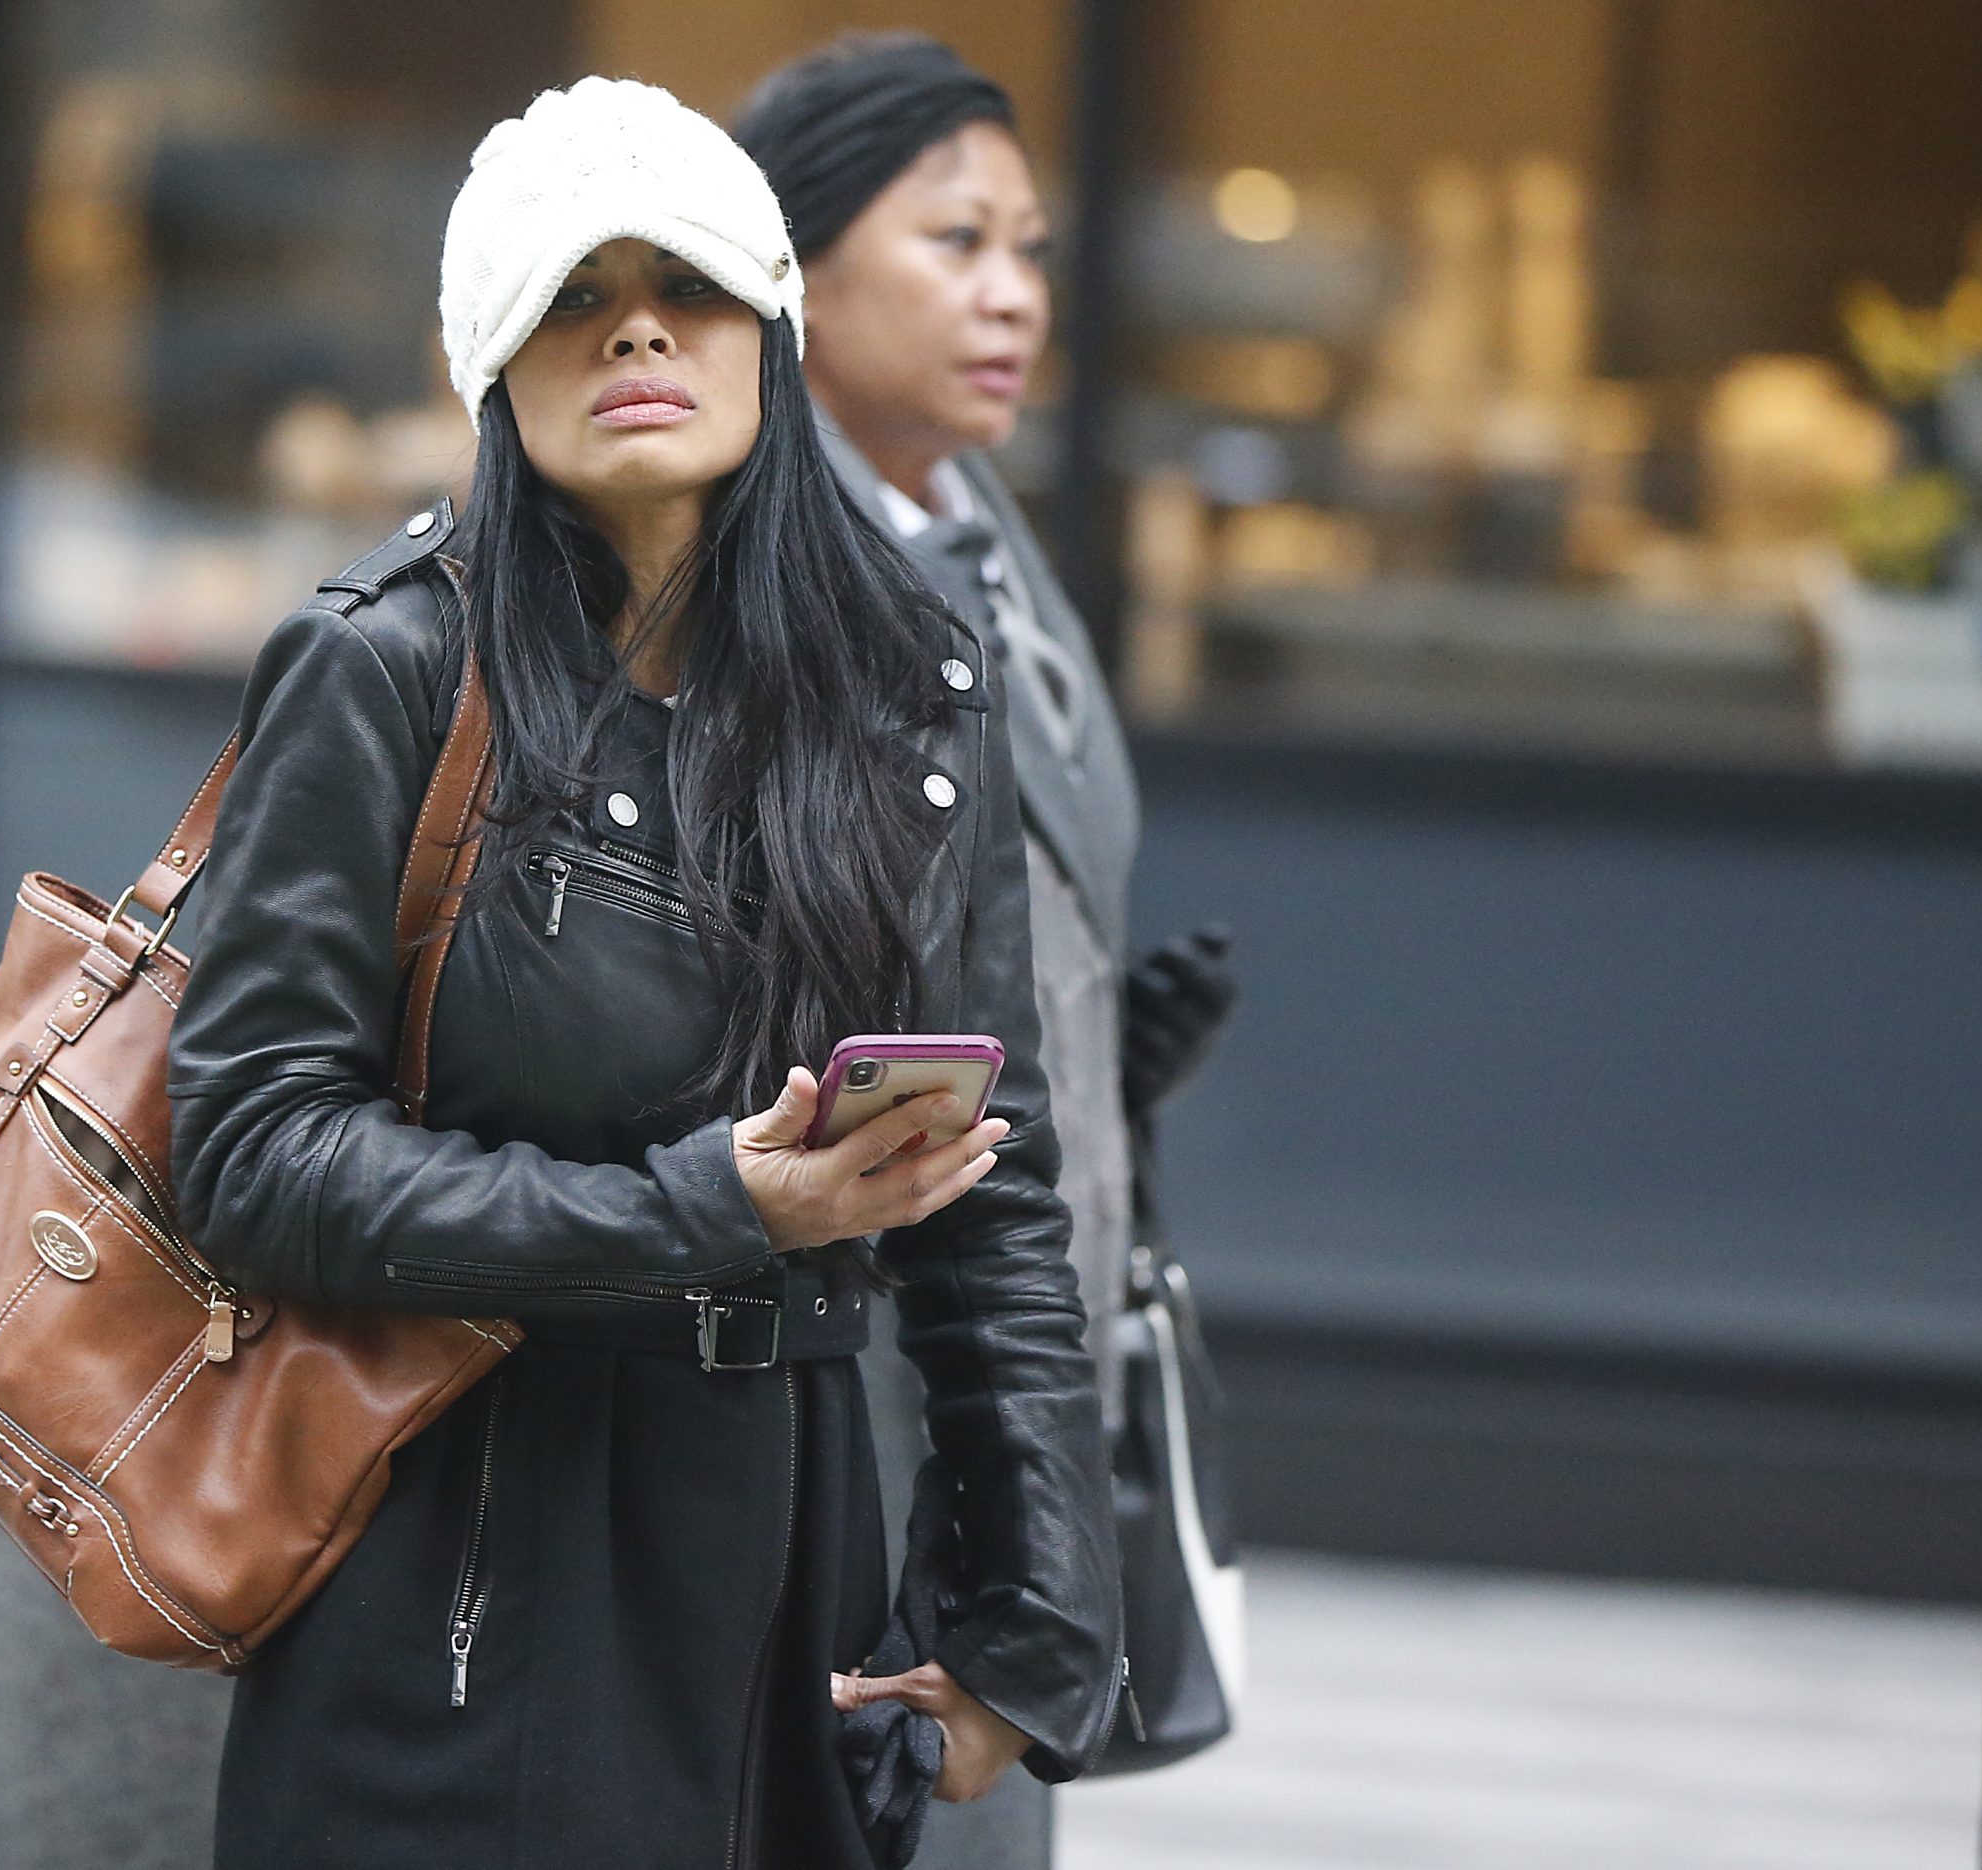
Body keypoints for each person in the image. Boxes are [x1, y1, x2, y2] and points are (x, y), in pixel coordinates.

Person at [161, 75, 1120, 1869]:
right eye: (574, 298)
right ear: (492, 364)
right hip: (459, 1563)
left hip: (798, 1585)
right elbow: (251, 1153)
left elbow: (999, 1188)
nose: (638, 332)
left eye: (681, 283)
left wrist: (1033, 1622)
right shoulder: (387, 667)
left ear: (769, 324)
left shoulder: (913, 683)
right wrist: (705, 1206)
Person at [733, 36, 1238, 1868]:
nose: (1014, 293)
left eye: (1030, 245)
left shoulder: (982, 530)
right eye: (954, 241)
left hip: (1030, 1309)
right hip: (871, 1356)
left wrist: (1111, 1054)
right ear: (793, 267)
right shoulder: (764, 571)